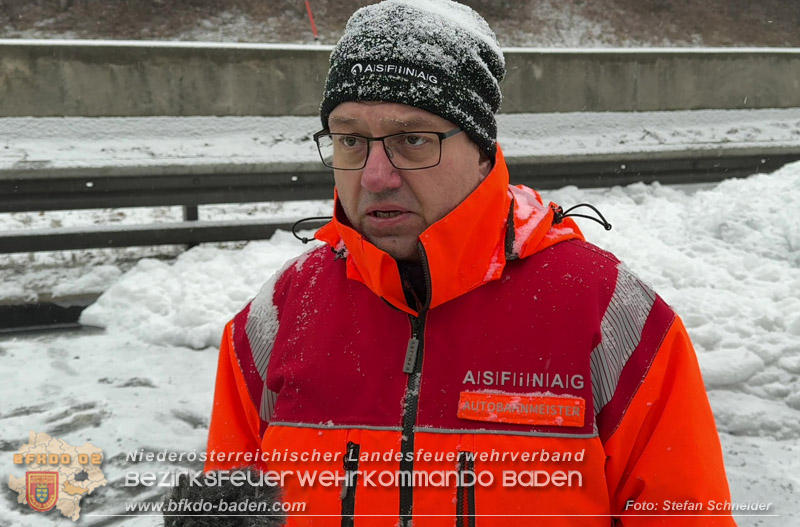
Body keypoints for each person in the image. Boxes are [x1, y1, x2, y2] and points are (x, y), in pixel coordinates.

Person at [205, 1, 736, 525]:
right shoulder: (278, 316)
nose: (374, 176)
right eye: (350, 140)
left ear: (482, 151)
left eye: (413, 139)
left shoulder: (608, 315)